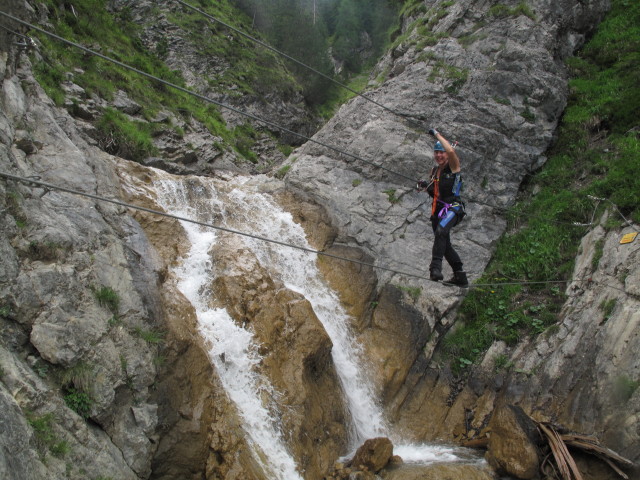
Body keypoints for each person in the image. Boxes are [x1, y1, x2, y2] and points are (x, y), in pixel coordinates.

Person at [417, 128, 468, 287]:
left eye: (442, 153)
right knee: (444, 245)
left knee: (441, 232)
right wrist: (425, 186)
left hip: (453, 208)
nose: (439, 155)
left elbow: (451, 151)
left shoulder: (453, 166)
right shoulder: (434, 171)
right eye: (436, 153)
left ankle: (435, 269)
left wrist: (436, 134)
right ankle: (460, 276)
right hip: (437, 211)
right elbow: (436, 193)